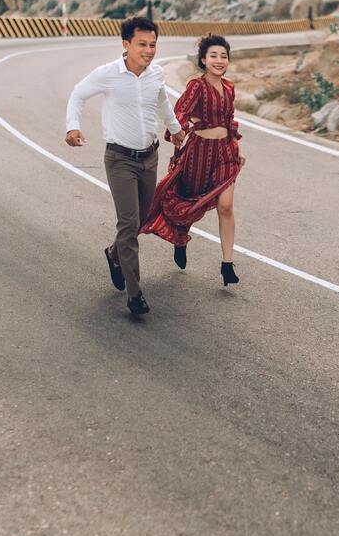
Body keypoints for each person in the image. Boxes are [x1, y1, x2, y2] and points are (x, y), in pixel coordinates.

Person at [64, 16, 185, 316]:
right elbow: (78, 94)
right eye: (142, 44)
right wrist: (72, 127)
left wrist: (176, 129)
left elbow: (162, 103)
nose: (148, 50)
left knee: (141, 221)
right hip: (119, 160)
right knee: (129, 224)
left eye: (153, 45)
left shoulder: (155, 74)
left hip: (149, 157)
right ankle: (135, 294)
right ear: (126, 44)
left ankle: (114, 253)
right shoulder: (108, 74)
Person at [141, 34, 244, 286]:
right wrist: (180, 131)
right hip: (198, 154)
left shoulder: (229, 87)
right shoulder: (196, 86)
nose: (219, 60)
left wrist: (237, 149)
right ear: (203, 60)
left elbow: (230, 120)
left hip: (225, 153)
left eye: (224, 56)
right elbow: (178, 115)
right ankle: (180, 239)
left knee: (226, 206)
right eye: (214, 56)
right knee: (188, 204)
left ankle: (227, 263)